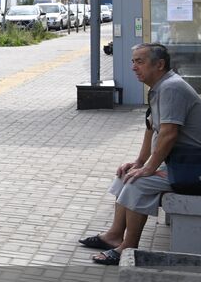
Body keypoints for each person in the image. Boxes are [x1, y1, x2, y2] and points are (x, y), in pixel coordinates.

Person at [80, 43, 201, 265]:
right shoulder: (159, 87)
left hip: (192, 168)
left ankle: (128, 246)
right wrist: (139, 162)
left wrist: (149, 169)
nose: (134, 67)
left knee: (138, 183)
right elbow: (151, 129)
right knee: (126, 174)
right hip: (180, 163)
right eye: (133, 61)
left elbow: (169, 135)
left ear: (160, 64)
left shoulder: (171, 88)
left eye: (140, 61)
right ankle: (115, 234)